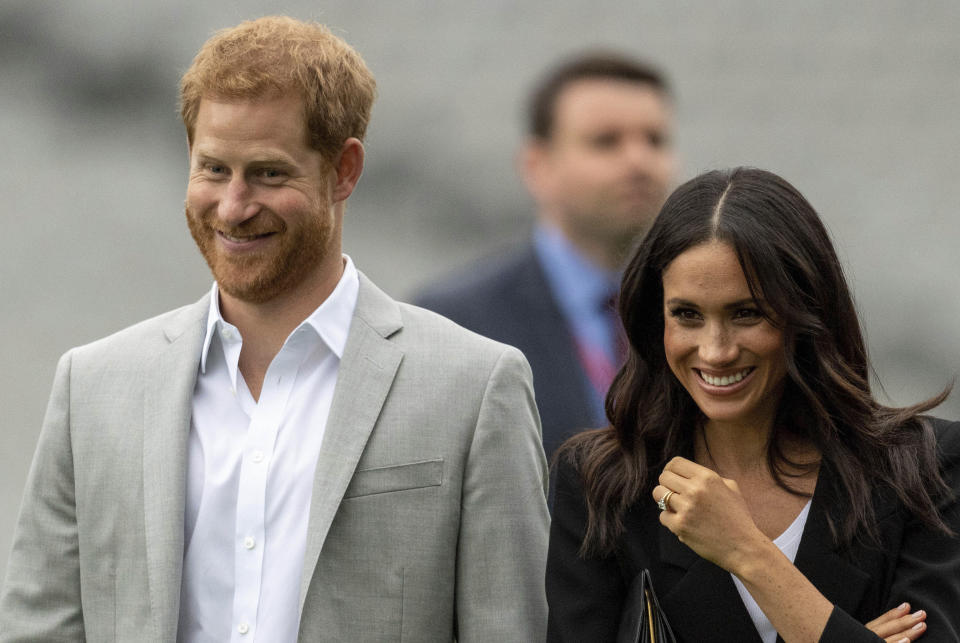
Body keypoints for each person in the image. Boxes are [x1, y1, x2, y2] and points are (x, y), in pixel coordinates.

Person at [0, 16, 549, 642]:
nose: (232, 207)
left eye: (268, 173)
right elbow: (39, 628)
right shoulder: (93, 386)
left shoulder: (475, 386)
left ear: (344, 170)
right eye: (212, 169)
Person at [546, 167, 960, 642]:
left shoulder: (928, 469)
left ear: (806, 314)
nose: (715, 350)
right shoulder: (599, 483)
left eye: (747, 313)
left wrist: (748, 551)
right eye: (687, 315)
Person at [414, 52, 677, 461]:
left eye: (655, 140)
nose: (639, 161)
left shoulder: (700, 308)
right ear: (537, 166)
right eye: (606, 141)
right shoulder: (453, 322)